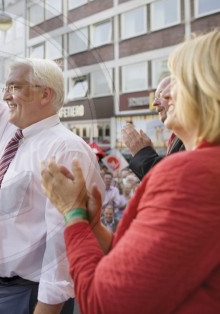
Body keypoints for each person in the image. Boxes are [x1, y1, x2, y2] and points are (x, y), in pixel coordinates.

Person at [0, 0, 103, 314]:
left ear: (45, 95)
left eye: (15, 87)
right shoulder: (13, 130)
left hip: (31, 297)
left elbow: (64, 242)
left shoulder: (64, 148)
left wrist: (46, 308)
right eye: (6, 87)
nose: (6, 95)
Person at [40, 30, 220, 313]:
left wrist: (72, 214)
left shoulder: (195, 174)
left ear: (208, 89)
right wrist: (93, 225)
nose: (164, 96)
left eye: (179, 81)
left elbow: (105, 302)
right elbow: (145, 264)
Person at [122, 77, 185, 180]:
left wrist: (143, 154)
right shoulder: (179, 137)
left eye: (160, 95)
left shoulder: (196, 136)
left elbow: (171, 180)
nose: (154, 103)